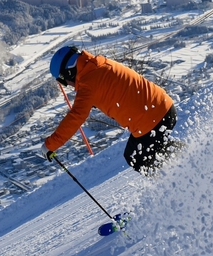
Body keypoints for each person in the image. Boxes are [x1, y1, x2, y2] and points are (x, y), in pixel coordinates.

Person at [40, 46, 179, 174]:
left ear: (69, 72)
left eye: (63, 81)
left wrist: (50, 145)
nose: (67, 85)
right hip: (163, 107)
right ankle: (187, 160)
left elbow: (75, 117)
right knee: (150, 151)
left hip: (151, 120)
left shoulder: (88, 84)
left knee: (136, 158)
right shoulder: (99, 63)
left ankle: (175, 181)